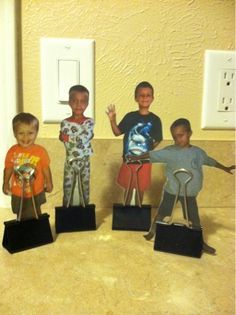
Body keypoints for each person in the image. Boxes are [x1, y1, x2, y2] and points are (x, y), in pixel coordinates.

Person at [128, 118, 235, 254]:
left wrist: (225, 168)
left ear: (189, 133)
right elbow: (151, 155)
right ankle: (153, 232)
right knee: (162, 213)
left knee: (193, 218)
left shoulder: (198, 153)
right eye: (174, 137)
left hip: (189, 194)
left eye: (180, 135)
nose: (177, 140)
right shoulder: (170, 152)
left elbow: (210, 161)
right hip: (172, 191)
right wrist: (136, 159)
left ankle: (199, 242)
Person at [106, 81, 163, 205]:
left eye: (148, 95)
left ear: (152, 98)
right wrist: (112, 120)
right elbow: (117, 132)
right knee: (128, 186)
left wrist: (149, 150)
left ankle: (138, 212)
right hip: (128, 160)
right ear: (136, 98)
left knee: (140, 188)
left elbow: (158, 138)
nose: (144, 98)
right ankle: (126, 214)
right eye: (141, 95)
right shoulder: (130, 117)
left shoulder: (155, 120)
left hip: (145, 162)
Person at [2, 112, 53, 219]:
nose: (26, 137)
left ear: (36, 133)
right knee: (20, 214)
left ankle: (36, 231)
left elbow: (45, 168)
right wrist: (5, 183)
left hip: (36, 190)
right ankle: (22, 232)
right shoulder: (12, 151)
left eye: (30, 133)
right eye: (21, 133)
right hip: (18, 191)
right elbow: (8, 168)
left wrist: (49, 182)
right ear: (15, 134)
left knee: (36, 212)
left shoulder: (40, 151)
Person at [59, 85, 94, 206]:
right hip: (70, 160)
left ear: (87, 104)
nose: (78, 105)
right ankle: (67, 210)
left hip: (84, 160)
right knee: (68, 185)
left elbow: (84, 138)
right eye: (75, 101)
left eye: (82, 101)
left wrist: (69, 137)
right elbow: (67, 142)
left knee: (84, 185)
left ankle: (85, 210)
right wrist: (72, 139)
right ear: (69, 102)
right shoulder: (64, 123)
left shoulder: (89, 122)